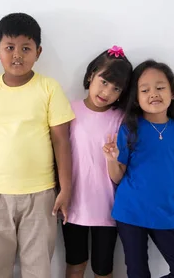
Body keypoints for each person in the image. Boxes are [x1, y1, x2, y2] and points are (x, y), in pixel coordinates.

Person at [0, 12, 75, 278]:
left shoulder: (49, 88)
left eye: (25, 48)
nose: (17, 55)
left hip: (41, 195)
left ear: (38, 52)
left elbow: (61, 141)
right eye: (10, 47)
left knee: (38, 267)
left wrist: (66, 188)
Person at [104, 60, 174, 278]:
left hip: (165, 215)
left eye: (160, 87)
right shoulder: (129, 129)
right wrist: (111, 160)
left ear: (172, 93)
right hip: (130, 212)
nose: (153, 94)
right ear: (136, 98)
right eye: (145, 90)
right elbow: (118, 178)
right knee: (137, 272)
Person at [63, 46, 132, 278]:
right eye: (103, 81)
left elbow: (118, 176)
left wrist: (112, 159)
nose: (106, 92)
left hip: (107, 208)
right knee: (75, 264)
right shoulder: (68, 111)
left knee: (103, 269)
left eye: (116, 88)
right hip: (73, 206)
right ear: (92, 74)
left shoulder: (120, 118)